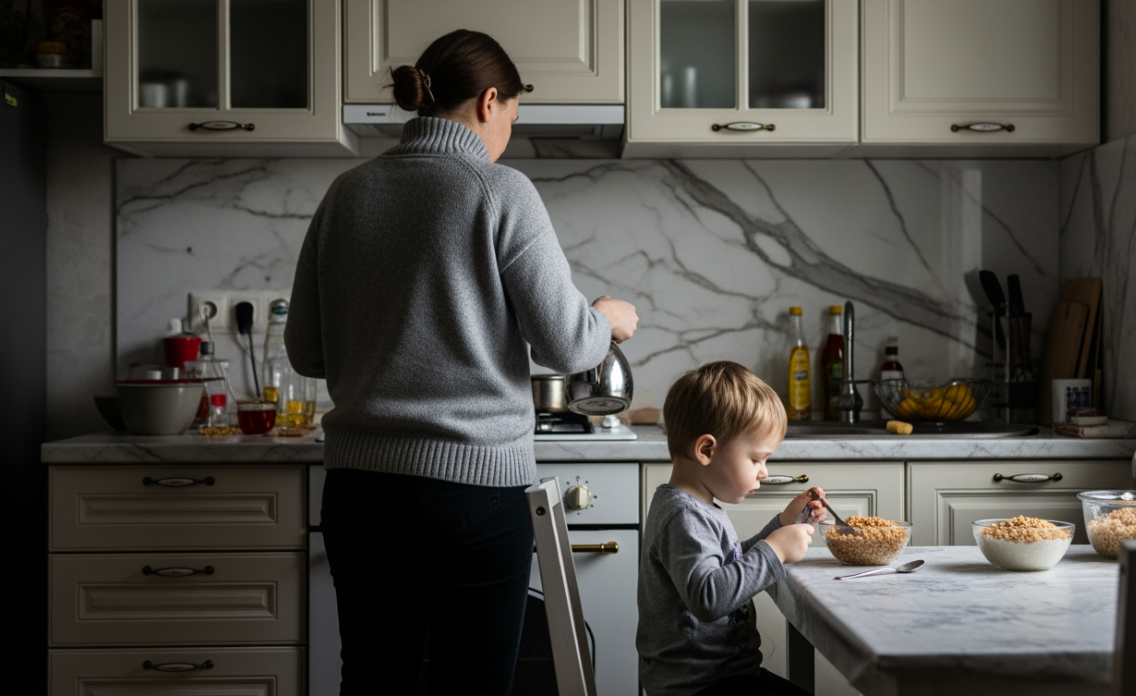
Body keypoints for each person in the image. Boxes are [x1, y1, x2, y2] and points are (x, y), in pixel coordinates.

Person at [284, 29, 639, 695]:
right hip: (473, 493)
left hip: (360, 490)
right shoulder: (499, 189)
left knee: (372, 680)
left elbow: (305, 351)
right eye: (511, 116)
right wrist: (608, 320)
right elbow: (566, 345)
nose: (507, 130)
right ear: (490, 101)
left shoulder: (346, 193)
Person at [638, 361, 826, 696]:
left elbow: (728, 567)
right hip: (699, 687)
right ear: (707, 450)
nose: (764, 471)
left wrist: (781, 525)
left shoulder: (699, 505)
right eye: (756, 459)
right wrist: (776, 549)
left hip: (726, 676)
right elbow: (709, 597)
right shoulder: (683, 517)